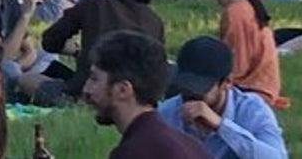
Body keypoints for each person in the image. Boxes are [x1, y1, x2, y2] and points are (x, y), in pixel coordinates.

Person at [24, 0, 165, 104]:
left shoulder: (94, 4)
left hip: (84, 92)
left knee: (26, 79)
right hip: (133, 98)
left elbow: (50, 41)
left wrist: (76, 51)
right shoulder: (155, 22)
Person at [82, 30, 208, 158]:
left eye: (94, 79)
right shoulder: (192, 146)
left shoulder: (134, 153)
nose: (86, 90)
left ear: (123, 90)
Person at [158, 37, 287, 159]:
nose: (191, 94)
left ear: (227, 82)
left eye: (200, 88)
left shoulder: (251, 110)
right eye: (185, 86)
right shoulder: (166, 114)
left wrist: (221, 126)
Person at [198, 0, 283, 107]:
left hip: (252, 92)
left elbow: (237, 68)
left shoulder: (236, 12)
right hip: (251, 89)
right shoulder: (240, 7)